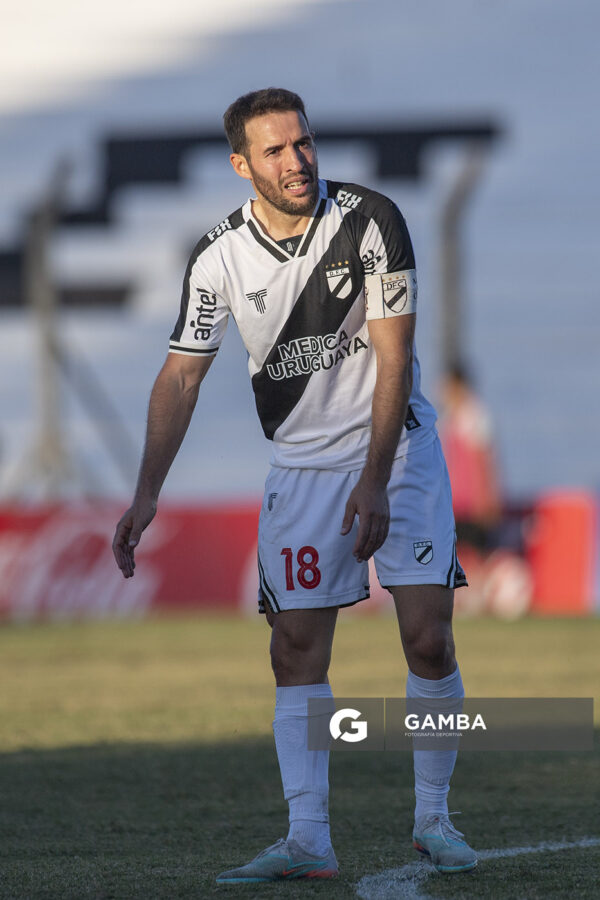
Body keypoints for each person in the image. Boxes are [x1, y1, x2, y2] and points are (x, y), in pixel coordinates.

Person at [112, 88, 477, 881]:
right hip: (303, 471)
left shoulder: (371, 220)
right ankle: (308, 839)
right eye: (275, 151)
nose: (297, 160)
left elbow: (393, 356)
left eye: (303, 144)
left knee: (427, 634)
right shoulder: (217, 258)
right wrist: (146, 493)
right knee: (295, 650)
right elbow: (180, 378)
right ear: (242, 165)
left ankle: (434, 820)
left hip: (399, 456)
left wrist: (375, 481)